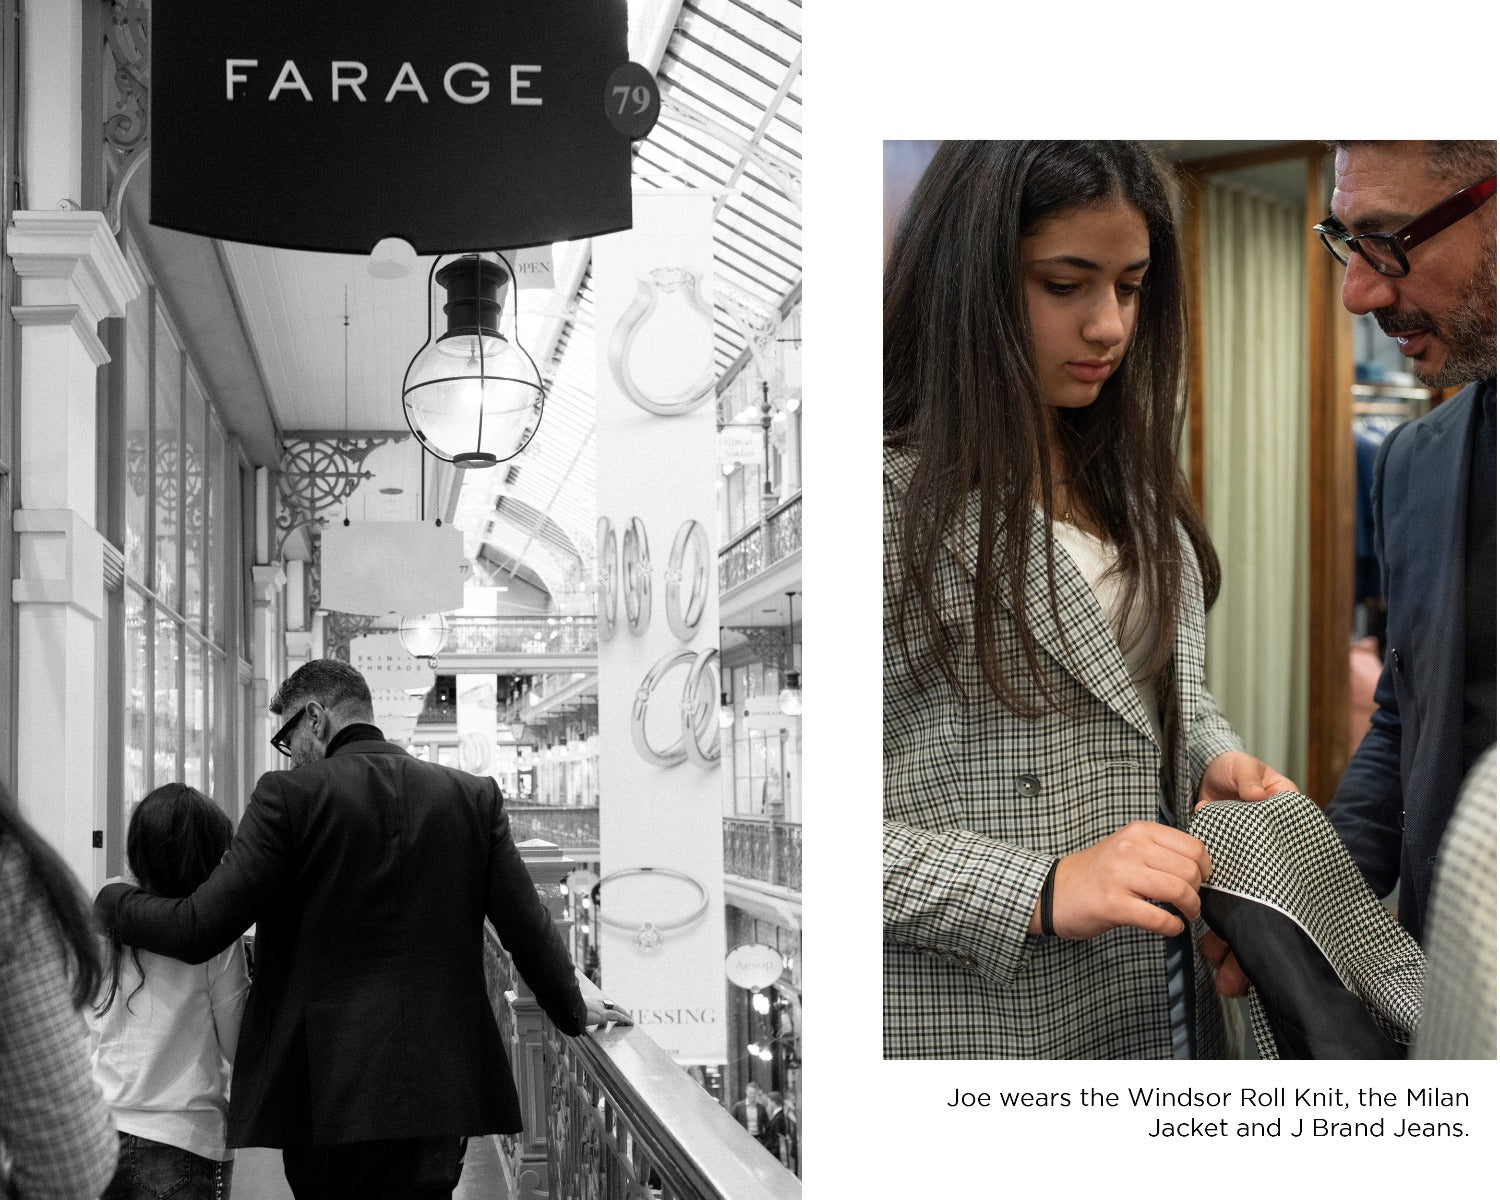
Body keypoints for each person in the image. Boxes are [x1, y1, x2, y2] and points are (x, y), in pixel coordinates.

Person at [883, 140, 1295, 1059]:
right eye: (1065, 285)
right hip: (984, 1027)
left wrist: (1209, 759)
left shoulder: (1130, 481)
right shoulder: (885, 505)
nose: (1109, 326)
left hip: (1163, 1000)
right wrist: (1037, 887)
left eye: (1132, 286)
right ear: (972, 283)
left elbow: (1144, 697)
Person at [96, 659, 624, 1199]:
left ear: (316, 719)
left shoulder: (288, 798)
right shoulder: (470, 797)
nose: (291, 753)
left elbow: (197, 928)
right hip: (438, 1092)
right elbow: (526, 926)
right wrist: (572, 1006)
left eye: (289, 736)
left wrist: (111, 900)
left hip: (325, 1095)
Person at [1318, 140, 1496, 943]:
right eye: (1350, 244)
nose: (1357, 291)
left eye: (1389, 239)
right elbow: (1409, 715)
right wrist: (1320, 906)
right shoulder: (1412, 463)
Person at [92, 783, 250, 1199]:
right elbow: (239, 1045)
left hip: (101, 1128)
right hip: (184, 1136)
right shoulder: (217, 938)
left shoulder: (107, 916)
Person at [0, 783, 118, 1198]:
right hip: (185, 1123)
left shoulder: (116, 914)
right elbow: (68, 1165)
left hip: (122, 1106)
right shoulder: (12, 875)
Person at [730, 1082, 770, 1146]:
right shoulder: (738, 1106)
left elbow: (767, 1124)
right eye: (750, 1093)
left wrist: (765, 1139)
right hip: (743, 1139)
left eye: (754, 1093)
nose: (752, 1095)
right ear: (746, 1092)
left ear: (757, 1093)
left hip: (758, 1139)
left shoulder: (761, 1107)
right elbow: (731, 1122)